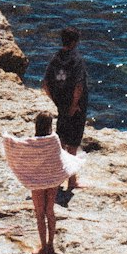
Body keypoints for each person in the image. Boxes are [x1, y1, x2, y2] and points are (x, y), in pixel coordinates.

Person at [2, 112, 74, 254]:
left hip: (37, 181)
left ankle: (43, 247)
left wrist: (6, 138)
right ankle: (51, 245)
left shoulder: (32, 142)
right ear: (49, 125)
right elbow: (58, 157)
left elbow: (17, 147)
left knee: (40, 214)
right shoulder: (54, 139)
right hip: (52, 180)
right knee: (50, 211)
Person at [41, 25, 88, 192]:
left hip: (61, 106)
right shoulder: (77, 60)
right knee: (73, 145)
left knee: (61, 143)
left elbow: (45, 84)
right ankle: (72, 181)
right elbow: (79, 87)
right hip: (76, 109)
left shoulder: (55, 58)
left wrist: (57, 102)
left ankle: (58, 179)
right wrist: (74, 105)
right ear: (75, 42)